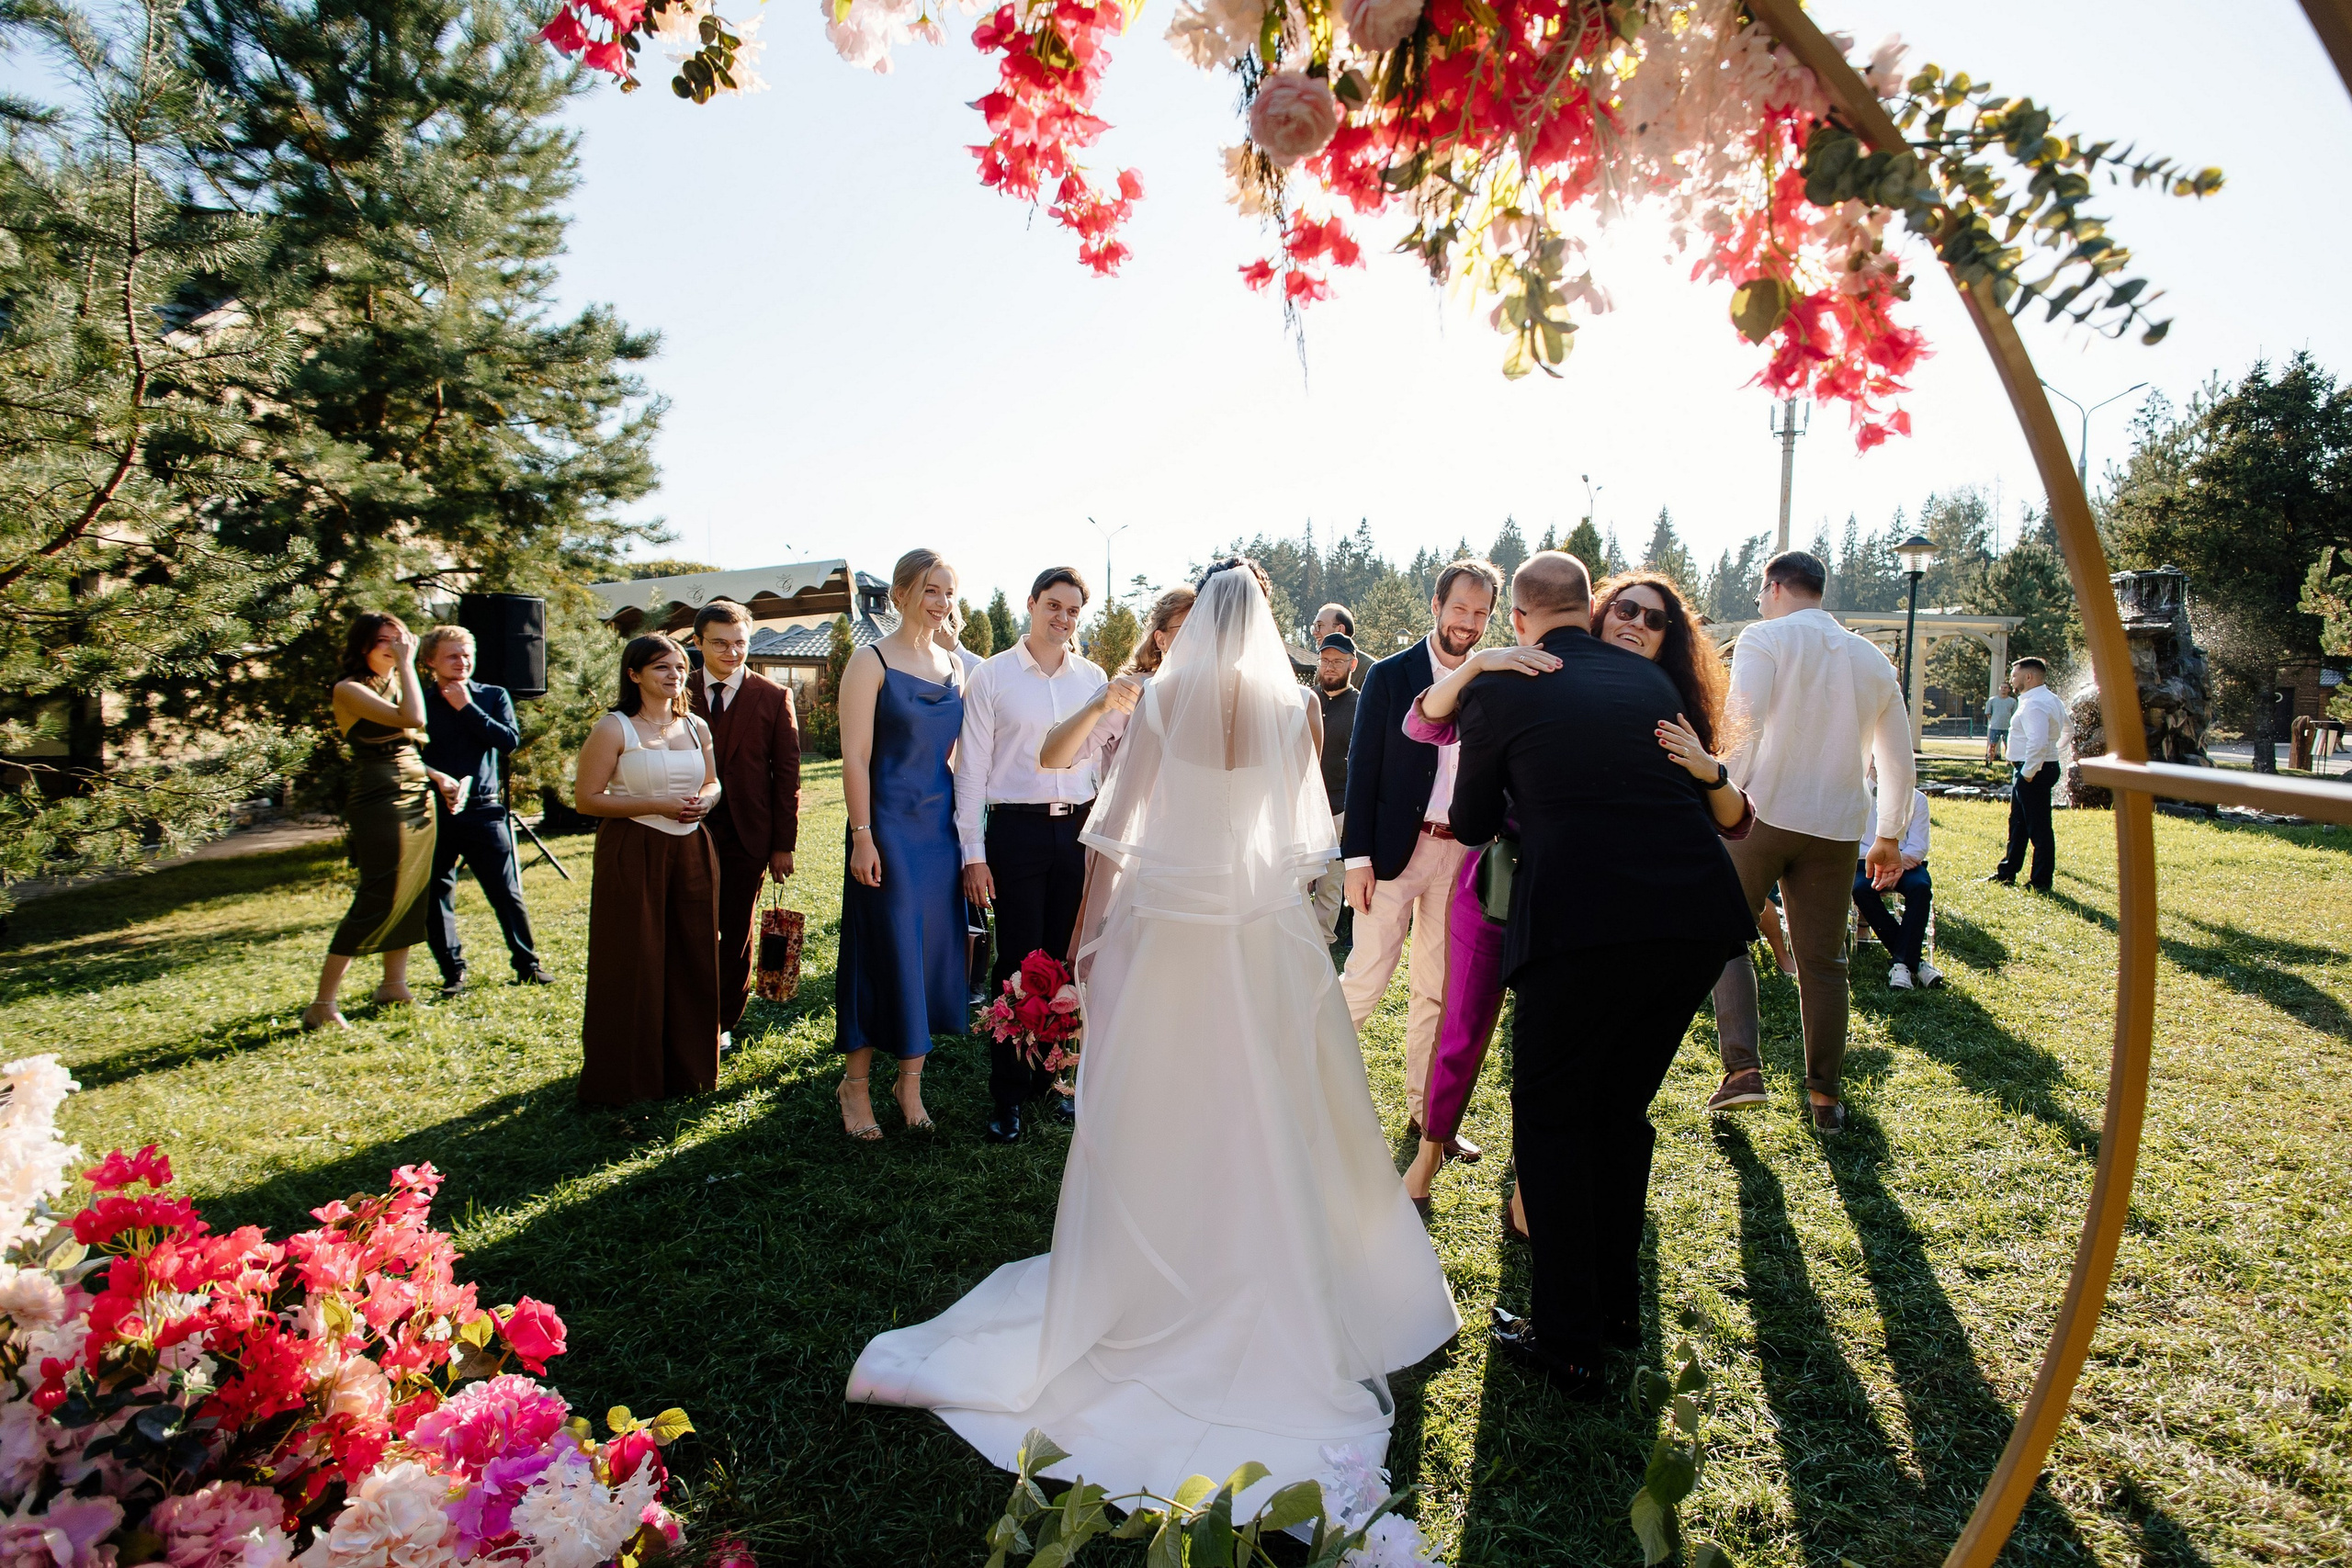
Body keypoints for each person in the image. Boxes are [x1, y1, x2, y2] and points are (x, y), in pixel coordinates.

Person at [848, 560, 1459, 1504]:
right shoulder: (1297, 705)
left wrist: (1085, 949)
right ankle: (1272, 1265)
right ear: (1262, 621)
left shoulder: (1161, 703)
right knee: (1270, 1106)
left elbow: (1114, 832)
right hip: (1261, 935)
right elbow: (1302, 844)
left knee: (1170, 1105)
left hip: (1175, 932)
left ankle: (1170, 1272)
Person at [1451, 553, 1753, 1399]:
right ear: (1590, 611)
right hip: (1692, 921)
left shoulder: (1502, 687)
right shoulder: (1649, 685)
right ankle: (1616, 1309)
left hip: (1581, 927)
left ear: (1518, 619)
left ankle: (1568, 1341)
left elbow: (1474, 820)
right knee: (1619, 1115)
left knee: (1550, 1120)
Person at [1400, 571, 1755, 1233]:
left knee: (1562, 1067)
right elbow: (1425, 726)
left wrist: (1710, 769)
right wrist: (1479, 663)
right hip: (1505, 882)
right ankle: (1430, 1157)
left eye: (1655, 621)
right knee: (1469, 1025)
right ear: (1594, 611)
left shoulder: (1660, 699)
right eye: (1625, 608)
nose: (1636, 625)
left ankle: (1533, 1200)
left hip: (1587, 908)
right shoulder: (1529, 672)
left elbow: (1728, 820)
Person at [1705, 551, 1912, 1134]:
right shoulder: (1872, 658)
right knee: (1825, 962)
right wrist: (1890, 834)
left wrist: (1722, 796)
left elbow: (1741, 727)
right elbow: (1899, 756)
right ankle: (1824, 1096)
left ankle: (1743, 1069)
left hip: (1761, 813)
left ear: (1773, 588)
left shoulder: (1764, 638)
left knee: (1724, 930)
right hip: (1838, 826)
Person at [1339, 560, 1502, 1155]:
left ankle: (1427, 1114)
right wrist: (1355, 856)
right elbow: (1362, 769)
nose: (1470, 621)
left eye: (1482, 612)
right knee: (1366, 975)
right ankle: (1296, 1085)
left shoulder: (1492, 683)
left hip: (1460, 854)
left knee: (1437, 987)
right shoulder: (1389, 675)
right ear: (1436, 606)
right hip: (1390, 853)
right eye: (1460, 607)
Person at [956, 566, 1105, 1145]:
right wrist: (974, 852)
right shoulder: (993, 677)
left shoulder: (1092, 678)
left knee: (1065, 962)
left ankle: (1054, 1079)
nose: (1062, 619)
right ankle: (1009, 1095)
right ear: (1031, 604)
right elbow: (970, 772)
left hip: (1077, 831)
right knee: (1018, 962)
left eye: (1072, 610)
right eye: (1053, 606)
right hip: (1015, 832)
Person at [834, 549, 969, 1139]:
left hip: (939, 831)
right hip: (884, 825)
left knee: (930, 950)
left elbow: (964, 759)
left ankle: (909, 1085)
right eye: (930, 590)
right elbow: (855, 757)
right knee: (880, 949)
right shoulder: (871, 661)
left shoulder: (957, 665)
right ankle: (855, 1086)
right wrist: (862, 836)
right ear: (902, 592)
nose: (940, 603)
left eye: (947, 592)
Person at [571, 634, 723, 1105]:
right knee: (634, 957)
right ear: (634, 674)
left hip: (692, 849)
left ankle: (690, 1071)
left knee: (694, 953)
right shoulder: (614, 728)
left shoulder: (697, 726)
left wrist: (707, 801)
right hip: (633, 847)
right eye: (661, 667)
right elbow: (586, 798)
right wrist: (657, 802)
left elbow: (713, 780)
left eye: (679, 666)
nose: (675, 674)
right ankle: (627, 1080)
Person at [306, 613, 436, 1032]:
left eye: (399, 638)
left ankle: (393, 985)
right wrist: (408, 664)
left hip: (418, 790)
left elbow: (411, 745)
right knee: (379, 893)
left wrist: (438, 777)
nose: (394, 645)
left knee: (413, 889)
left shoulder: (398, 683)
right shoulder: (349, 689)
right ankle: (322, 1004)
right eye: (383, 640)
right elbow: (414, 721)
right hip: (380, 795)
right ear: (362, 646)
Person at [686, 600, 803, 1050]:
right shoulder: (681, 689)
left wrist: (782, 844)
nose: (732, 653)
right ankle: (685, 1009)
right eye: (720, 643)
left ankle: (721, 1021)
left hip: (748, 833)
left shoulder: (773, 696)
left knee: (735, 929)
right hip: (685, 831)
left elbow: (787, 775)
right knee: (689, 924)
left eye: (740, 643)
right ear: (697, 643)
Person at [416, 625, 549, 995]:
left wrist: (466, 708)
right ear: (430, 661)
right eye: (452, 655)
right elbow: (408, 755)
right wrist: (437, 780)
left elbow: (508, 741)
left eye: (467, 655)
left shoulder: (492, 696)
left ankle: (528, 964)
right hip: (435, 810)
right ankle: (453, 972)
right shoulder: (419, 702)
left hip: (484, 810)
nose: (462, 662)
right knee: (437, 894)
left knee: (506, 892)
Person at [1987, 656, 2069, 890]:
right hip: (2037, 767)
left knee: (2038, 828)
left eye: (2014, 675)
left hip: (2033, 770)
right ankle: (2007, 872)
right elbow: (2068, 730)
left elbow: (2038, 742)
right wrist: (2054, 753)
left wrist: (2029, 772)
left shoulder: (2035, 703)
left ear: (2029, 676)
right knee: (2019, 824)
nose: (2011, 680)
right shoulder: (2049, 698)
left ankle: (2040, 881)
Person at [1854, 768, 1940, 987]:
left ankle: (1902, 964)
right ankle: (1913, 963)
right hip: (1866, 864)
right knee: (1861, 889)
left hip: (1907, 862)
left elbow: (1919, 845)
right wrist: (1883, 860)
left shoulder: (1917, 799)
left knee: (1921, 887)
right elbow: (1853, 844)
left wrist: (1897, 862)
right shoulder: (1856, 795)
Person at [1308, 633, 1360, 948]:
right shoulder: (1305, 698)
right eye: (1325, 660)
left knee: (1329, 885)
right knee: (1296, 880)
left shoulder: (1362, 705)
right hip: (1301, 807)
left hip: (1340, 807)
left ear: (1352, 664)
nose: (1329, 667)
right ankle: (1295, 942)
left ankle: (1322, 944)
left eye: (1337, 661)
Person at [1984, 680, 2018, 764]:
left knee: (2008, 745)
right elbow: (1988, 713)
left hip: (2007, 727)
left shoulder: (2012, 701)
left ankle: (2008, 762)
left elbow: (2015, 714)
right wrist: (1993, 720)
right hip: (1995, 727)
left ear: (2009, 690)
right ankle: (1990, 761)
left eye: (2005, 688)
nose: (2003, 689)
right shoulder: (1992, 700)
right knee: (1992, 745)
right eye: (2001, 687)